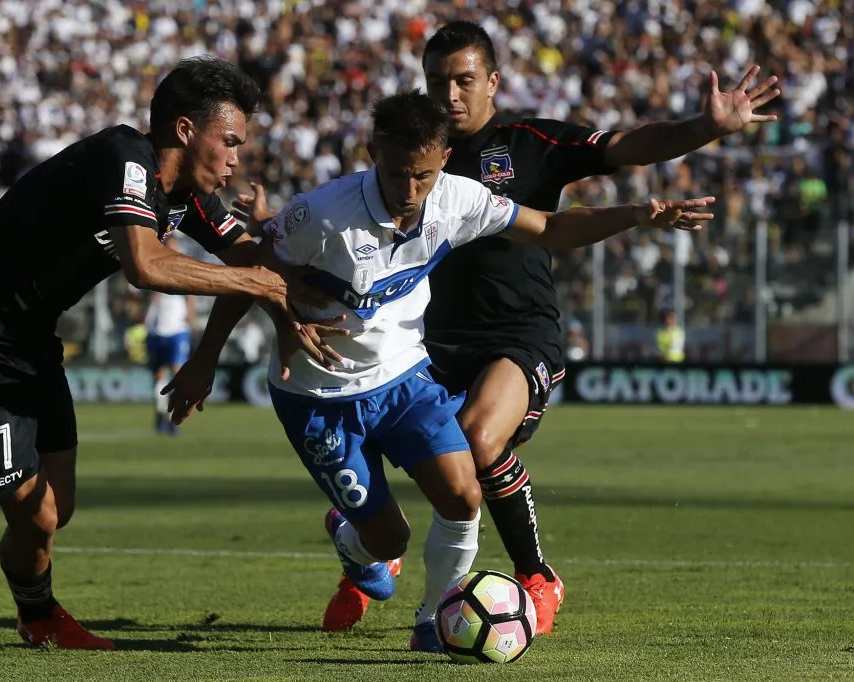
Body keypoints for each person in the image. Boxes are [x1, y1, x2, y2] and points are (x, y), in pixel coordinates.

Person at [163, 90, 715, 651]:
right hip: (318, 393)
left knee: (463, 495)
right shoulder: (322, 214)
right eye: (399, 173)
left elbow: (549, 228)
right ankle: (353, 542)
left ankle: (434, 622)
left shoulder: (460, 199)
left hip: (405, 377)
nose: (409, 191)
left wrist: (638, 216)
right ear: (375, 152)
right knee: (388, 538)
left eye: (423, 176)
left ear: (444, 160)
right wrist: (204, 361)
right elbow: (250, 272)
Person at [0, 56, 327, 650]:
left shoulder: (189, 197)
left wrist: (310, 276)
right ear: (183, 130)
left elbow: (258, 260)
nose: (235, 157)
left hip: (33, 343)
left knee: (55, 507)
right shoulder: (124, 158)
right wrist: (261, 286)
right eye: (228, 141)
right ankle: (35, 612)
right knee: (27, 506)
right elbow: (145, 266)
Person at [323, 21, 781, 635]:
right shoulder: (413, 152)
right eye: (437, 82)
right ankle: (368, 562)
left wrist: (705, 129)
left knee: (479, 441)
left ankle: (536, 576)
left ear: (492, 82)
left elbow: (627, 145)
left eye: (463, 80)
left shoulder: (530, 141)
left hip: (518, 333)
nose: (450, 95)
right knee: (365, 455)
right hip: (420, 342)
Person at [145, 236, 197, 434]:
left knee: (178, 373)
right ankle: (160, 413)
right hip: (157, 329)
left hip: (177, 329)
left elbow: (190, 292)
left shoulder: (182, 267)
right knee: (158, 377)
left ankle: (173, 418)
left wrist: (190, 315)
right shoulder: (152, 266)